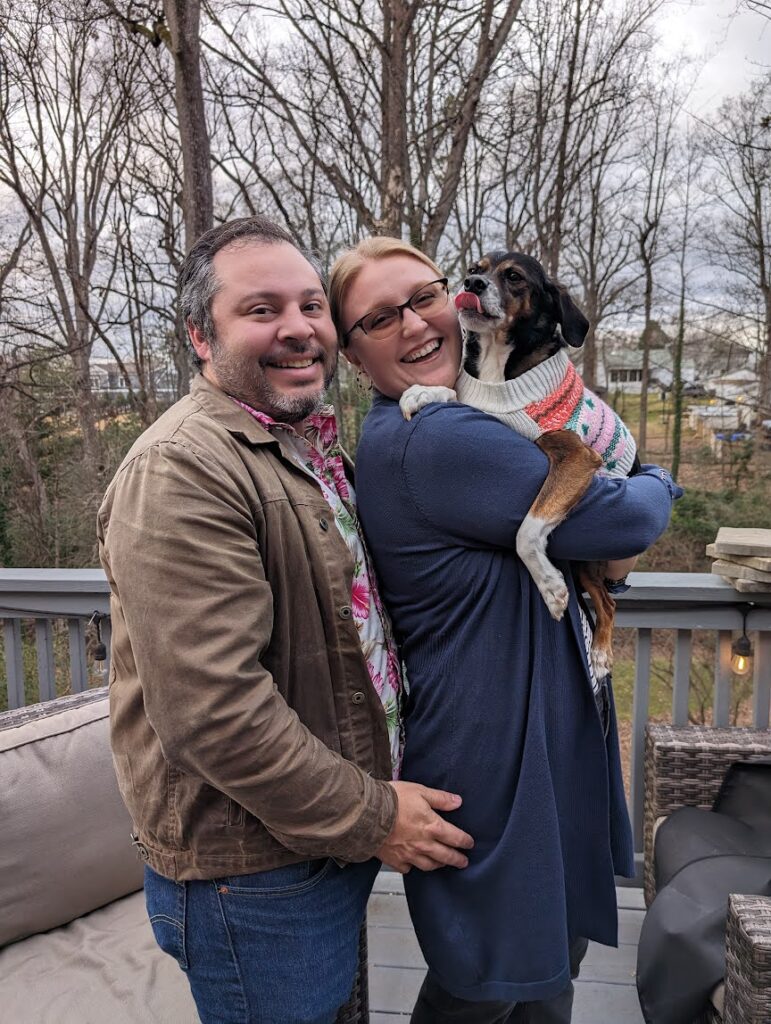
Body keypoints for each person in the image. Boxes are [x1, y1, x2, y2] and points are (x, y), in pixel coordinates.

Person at [97, 217, 473, 1024]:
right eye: (261, 309)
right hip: (252, 872)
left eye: (310, 306)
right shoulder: (183, 469)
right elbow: (214, 713)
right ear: (202, 337)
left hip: (317, 835)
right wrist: (375, 818)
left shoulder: (300, 448)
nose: (299, 328)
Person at [328, 236, 683, 1024]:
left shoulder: (468, 412)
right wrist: (659, 477)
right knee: (489, 985)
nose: (416, 323)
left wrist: (613, 551)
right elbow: (627, 515)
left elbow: (606, 554)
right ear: (352, 357)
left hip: (536, 745)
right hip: (493, 762)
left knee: (545, 970)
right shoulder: (436, 437)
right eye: (379, 318)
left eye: (423, 296)